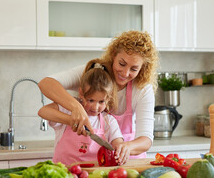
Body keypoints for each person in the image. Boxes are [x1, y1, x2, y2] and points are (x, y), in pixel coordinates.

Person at [38, 30, 159, 165]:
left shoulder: (142, 89)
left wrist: (127, 147)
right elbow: (46, 83)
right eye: (122, 64)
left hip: (128, 163)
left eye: (134, 69)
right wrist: (76, 108)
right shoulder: (93, 75)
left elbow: (146, 139)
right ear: (114, 56)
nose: (125, 73)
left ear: (142, 68)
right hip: (89, 163)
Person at [38, 59, 123, 166]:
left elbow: (118, 142)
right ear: (81, 93)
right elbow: (43, 111)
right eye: (90, 100)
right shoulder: (69, 109)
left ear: (109, 99)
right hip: (64, 173)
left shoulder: (108, 121)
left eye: (101, 101)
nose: (95, 107)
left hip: (93, 176)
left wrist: (119, 148)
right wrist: (70, 120)